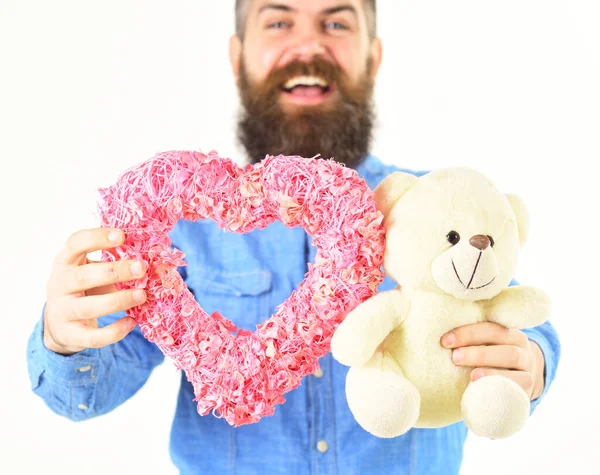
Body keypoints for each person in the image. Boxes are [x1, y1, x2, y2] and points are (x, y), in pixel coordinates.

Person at [27, 1, 561, 474]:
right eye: (279, 21)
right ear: (237, 57)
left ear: (373, 57)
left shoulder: (435, 208)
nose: (308, 44)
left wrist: (530, 363)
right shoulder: (173, 231)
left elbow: (517, 316)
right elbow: (89, 394)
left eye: (336, 21)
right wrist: (64, 336)